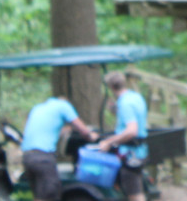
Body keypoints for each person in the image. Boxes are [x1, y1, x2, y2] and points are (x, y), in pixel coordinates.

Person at [20, 96, 97, 201]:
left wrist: (66, 130)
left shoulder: (38, 108)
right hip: (43, 157)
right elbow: (82, 129)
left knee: (39, 196)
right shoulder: (64, 105)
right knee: (51, 195)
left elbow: (46, 130)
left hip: (28, 156)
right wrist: (91, 136)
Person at [97, 71, 148, 201]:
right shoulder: (135, 97)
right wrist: (114, 110)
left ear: (111, 87)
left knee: (134, 193)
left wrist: (109, 142)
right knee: (135, 188)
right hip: (141, 150)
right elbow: (133, 117)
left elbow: (131, 131)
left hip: (130, 153)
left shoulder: (125, 103)